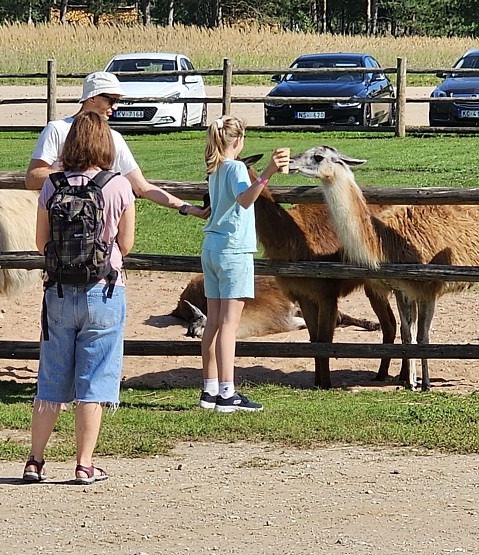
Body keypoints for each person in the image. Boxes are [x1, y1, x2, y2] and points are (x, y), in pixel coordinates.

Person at [23, 111, 135, 483]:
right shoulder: (117, 185)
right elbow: (127, 243)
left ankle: (35, 461)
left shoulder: (52, 185)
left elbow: (41, 243)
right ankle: (84, 464)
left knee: (51, 378)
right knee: (95, 379)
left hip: (57, 291)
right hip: (103, 290)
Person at [25, 71, 208, 219]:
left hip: (99, 230)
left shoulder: (114, 138)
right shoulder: (56, 129)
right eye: (111, 100)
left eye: (118, 101)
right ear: (92, 98)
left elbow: (141, 187)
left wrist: (187, 208)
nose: (115, 106)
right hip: (59, 224)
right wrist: (82, 176)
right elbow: (33, 177)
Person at [198, 116, 288, 413]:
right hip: (234, 250)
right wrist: (267, 174)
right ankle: (227, 393)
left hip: (211, 247)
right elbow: (246, 199)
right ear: (238, 140)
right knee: (228, 324)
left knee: (213, 321)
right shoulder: (236, 167)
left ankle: (210, 389)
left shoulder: (214, 169)